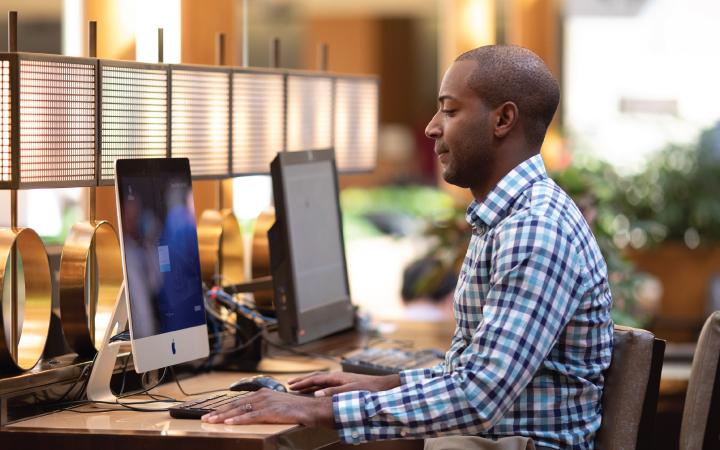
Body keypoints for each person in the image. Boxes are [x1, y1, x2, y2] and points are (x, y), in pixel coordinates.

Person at [202, 45, 614, 450]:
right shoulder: (509, 217)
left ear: (503, 119)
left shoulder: (534, 230)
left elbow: (478, 397)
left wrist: (316, 411)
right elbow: (473, 374)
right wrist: (387, 382)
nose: (432, 127)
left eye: (450, 111)